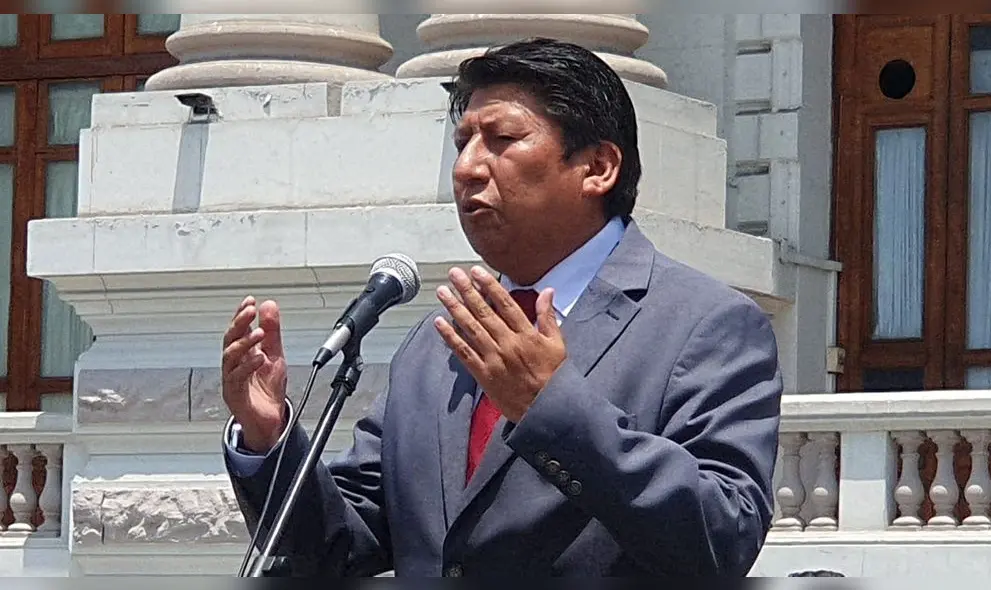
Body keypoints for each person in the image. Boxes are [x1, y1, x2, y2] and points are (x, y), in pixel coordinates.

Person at [220, 38, 783, 577]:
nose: (467, 168)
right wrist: (267, 438)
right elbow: (342, 545)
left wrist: (550, 408)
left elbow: (721, 540)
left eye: (502, 139)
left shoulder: (707, 325)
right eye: (462, 142)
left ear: (598, 168)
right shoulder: (437, 343)